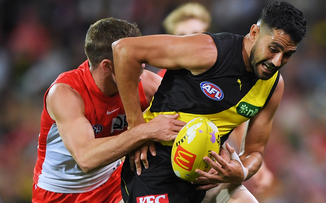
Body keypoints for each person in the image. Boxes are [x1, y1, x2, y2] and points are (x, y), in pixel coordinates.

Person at [112, 1, 307, 203]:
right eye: (273, 49)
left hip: (208, 177)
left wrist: (241, 171)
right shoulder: (209, 51)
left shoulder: (274, 86)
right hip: (153, 165)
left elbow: (254, 151)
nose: (276, 61)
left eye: (287, 55)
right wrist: (137, 129)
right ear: (255, 32)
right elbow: (124, 50)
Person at [32, 17, 186, 203]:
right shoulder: (66, 93)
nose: (143, 65)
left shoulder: (145, 83)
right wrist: (146, 130)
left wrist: (228, 156)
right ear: (107, 66)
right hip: (59, 194)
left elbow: (192, 112)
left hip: (113, 184)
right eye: (133, 59)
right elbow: (86, 159)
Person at [161, 2, 275, 198]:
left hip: (212, 172)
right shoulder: (159, 83)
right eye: (182, 36)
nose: (189, 41)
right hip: (166, 170)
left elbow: (238, 123)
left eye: (196, 34)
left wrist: (249, 166)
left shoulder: (223, 77)